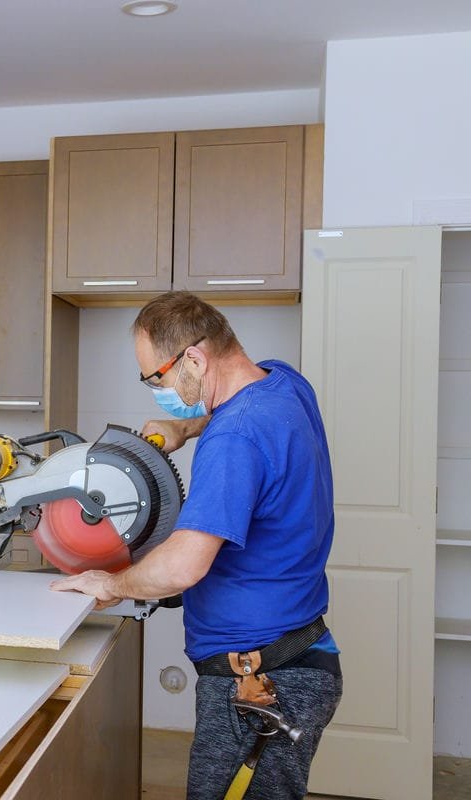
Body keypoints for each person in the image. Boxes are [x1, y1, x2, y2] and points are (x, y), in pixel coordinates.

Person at [51, 291, 342, 800]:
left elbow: (184, 566)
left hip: (259, 681)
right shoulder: (284, 384)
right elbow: (236, 403)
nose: (155, 390)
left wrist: (111, 583)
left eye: (156, 377)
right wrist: (183, 425)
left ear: (193, 358)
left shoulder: (235, 439)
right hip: (297, 655)